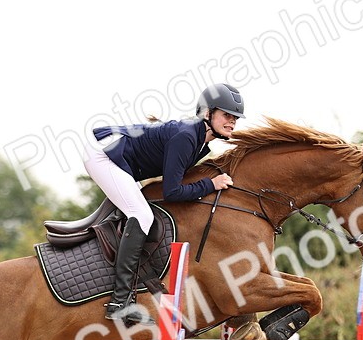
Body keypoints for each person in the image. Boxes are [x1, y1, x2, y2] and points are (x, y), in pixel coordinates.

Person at [84, 83, 245, 327]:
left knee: (140, 212)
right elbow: (172, 191)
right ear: (207, 113)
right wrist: (210, 185)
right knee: (142, 215)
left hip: (119, 158)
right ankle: (119, 302)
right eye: (226, 115)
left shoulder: (199, 141)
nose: (232, 121)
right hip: (104, 155)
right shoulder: (187, 137)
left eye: (235, 118)